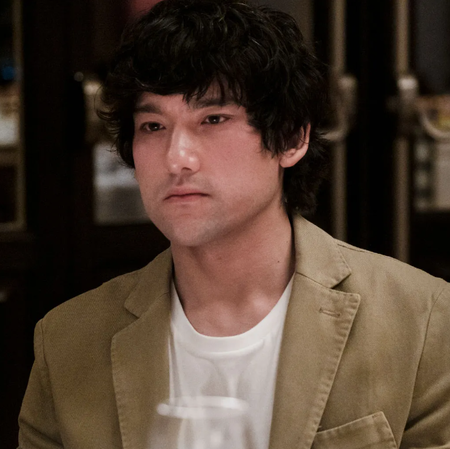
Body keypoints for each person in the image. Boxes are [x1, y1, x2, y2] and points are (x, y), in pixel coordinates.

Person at [18, 0, 450, 448]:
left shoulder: (421, 321)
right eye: (153, 126)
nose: (177, 159)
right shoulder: (67, 341)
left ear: (292, 138)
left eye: (213, 119)